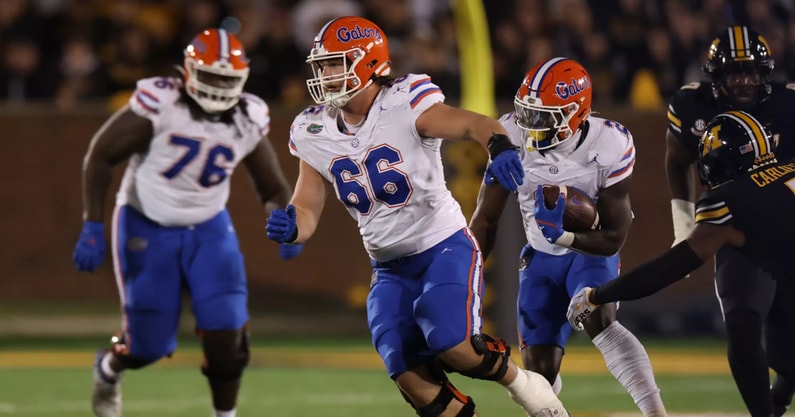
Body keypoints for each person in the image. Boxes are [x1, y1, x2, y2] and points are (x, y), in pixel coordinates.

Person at [265, 16, 568, 417]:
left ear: (367, 62)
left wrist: (498, 144)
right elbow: (306, 207)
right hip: (388, 268)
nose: (325, 74)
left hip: (442, 246)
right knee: (409, 374)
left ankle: (524, 385)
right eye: (322, 65)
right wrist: (292, 227)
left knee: (453, 343)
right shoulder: (312, 128)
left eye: (335, 63)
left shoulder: (404, 102)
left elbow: (471, 123)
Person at [71, 28, 301, 417]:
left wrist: (285, 219)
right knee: (148, 346)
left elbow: (272, 186)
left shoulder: (247, 116)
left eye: (226, 80)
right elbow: (99, 157)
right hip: (146, 223)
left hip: (209, 228)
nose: (217, 87)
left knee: (228, 336)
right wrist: (92, 223)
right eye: (210, 76)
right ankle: (109, 368)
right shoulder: (162, 103)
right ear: (189, 72)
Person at [468, 57, 668, 417]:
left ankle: (656, 412)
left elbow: (613, 237)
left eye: (543, 116)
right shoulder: (509, 135)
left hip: (589, 252)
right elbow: (486, 218)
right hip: (540, 256)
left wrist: (564, 237)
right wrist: (464, 277)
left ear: (577, 114)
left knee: (599, 320)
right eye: (527, 112)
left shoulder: (609, 143)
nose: (530, 125)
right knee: (537, 375)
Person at [570, 110, 795, 417]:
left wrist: (598, 295)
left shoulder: (730, 199)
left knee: (746, 337)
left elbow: (669, 269)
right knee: (783, 339)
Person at [664, 25, 795, 417]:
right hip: (732, 227)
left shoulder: (788, 105)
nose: (743, 81)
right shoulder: (691, 105)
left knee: (789, 352)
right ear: (714, 75)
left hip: (786, 227)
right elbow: (676, 160)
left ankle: (777, 398)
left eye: (751, 72)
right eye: (734, 72)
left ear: (765, 72)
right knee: (742, 323)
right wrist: (681, 226)